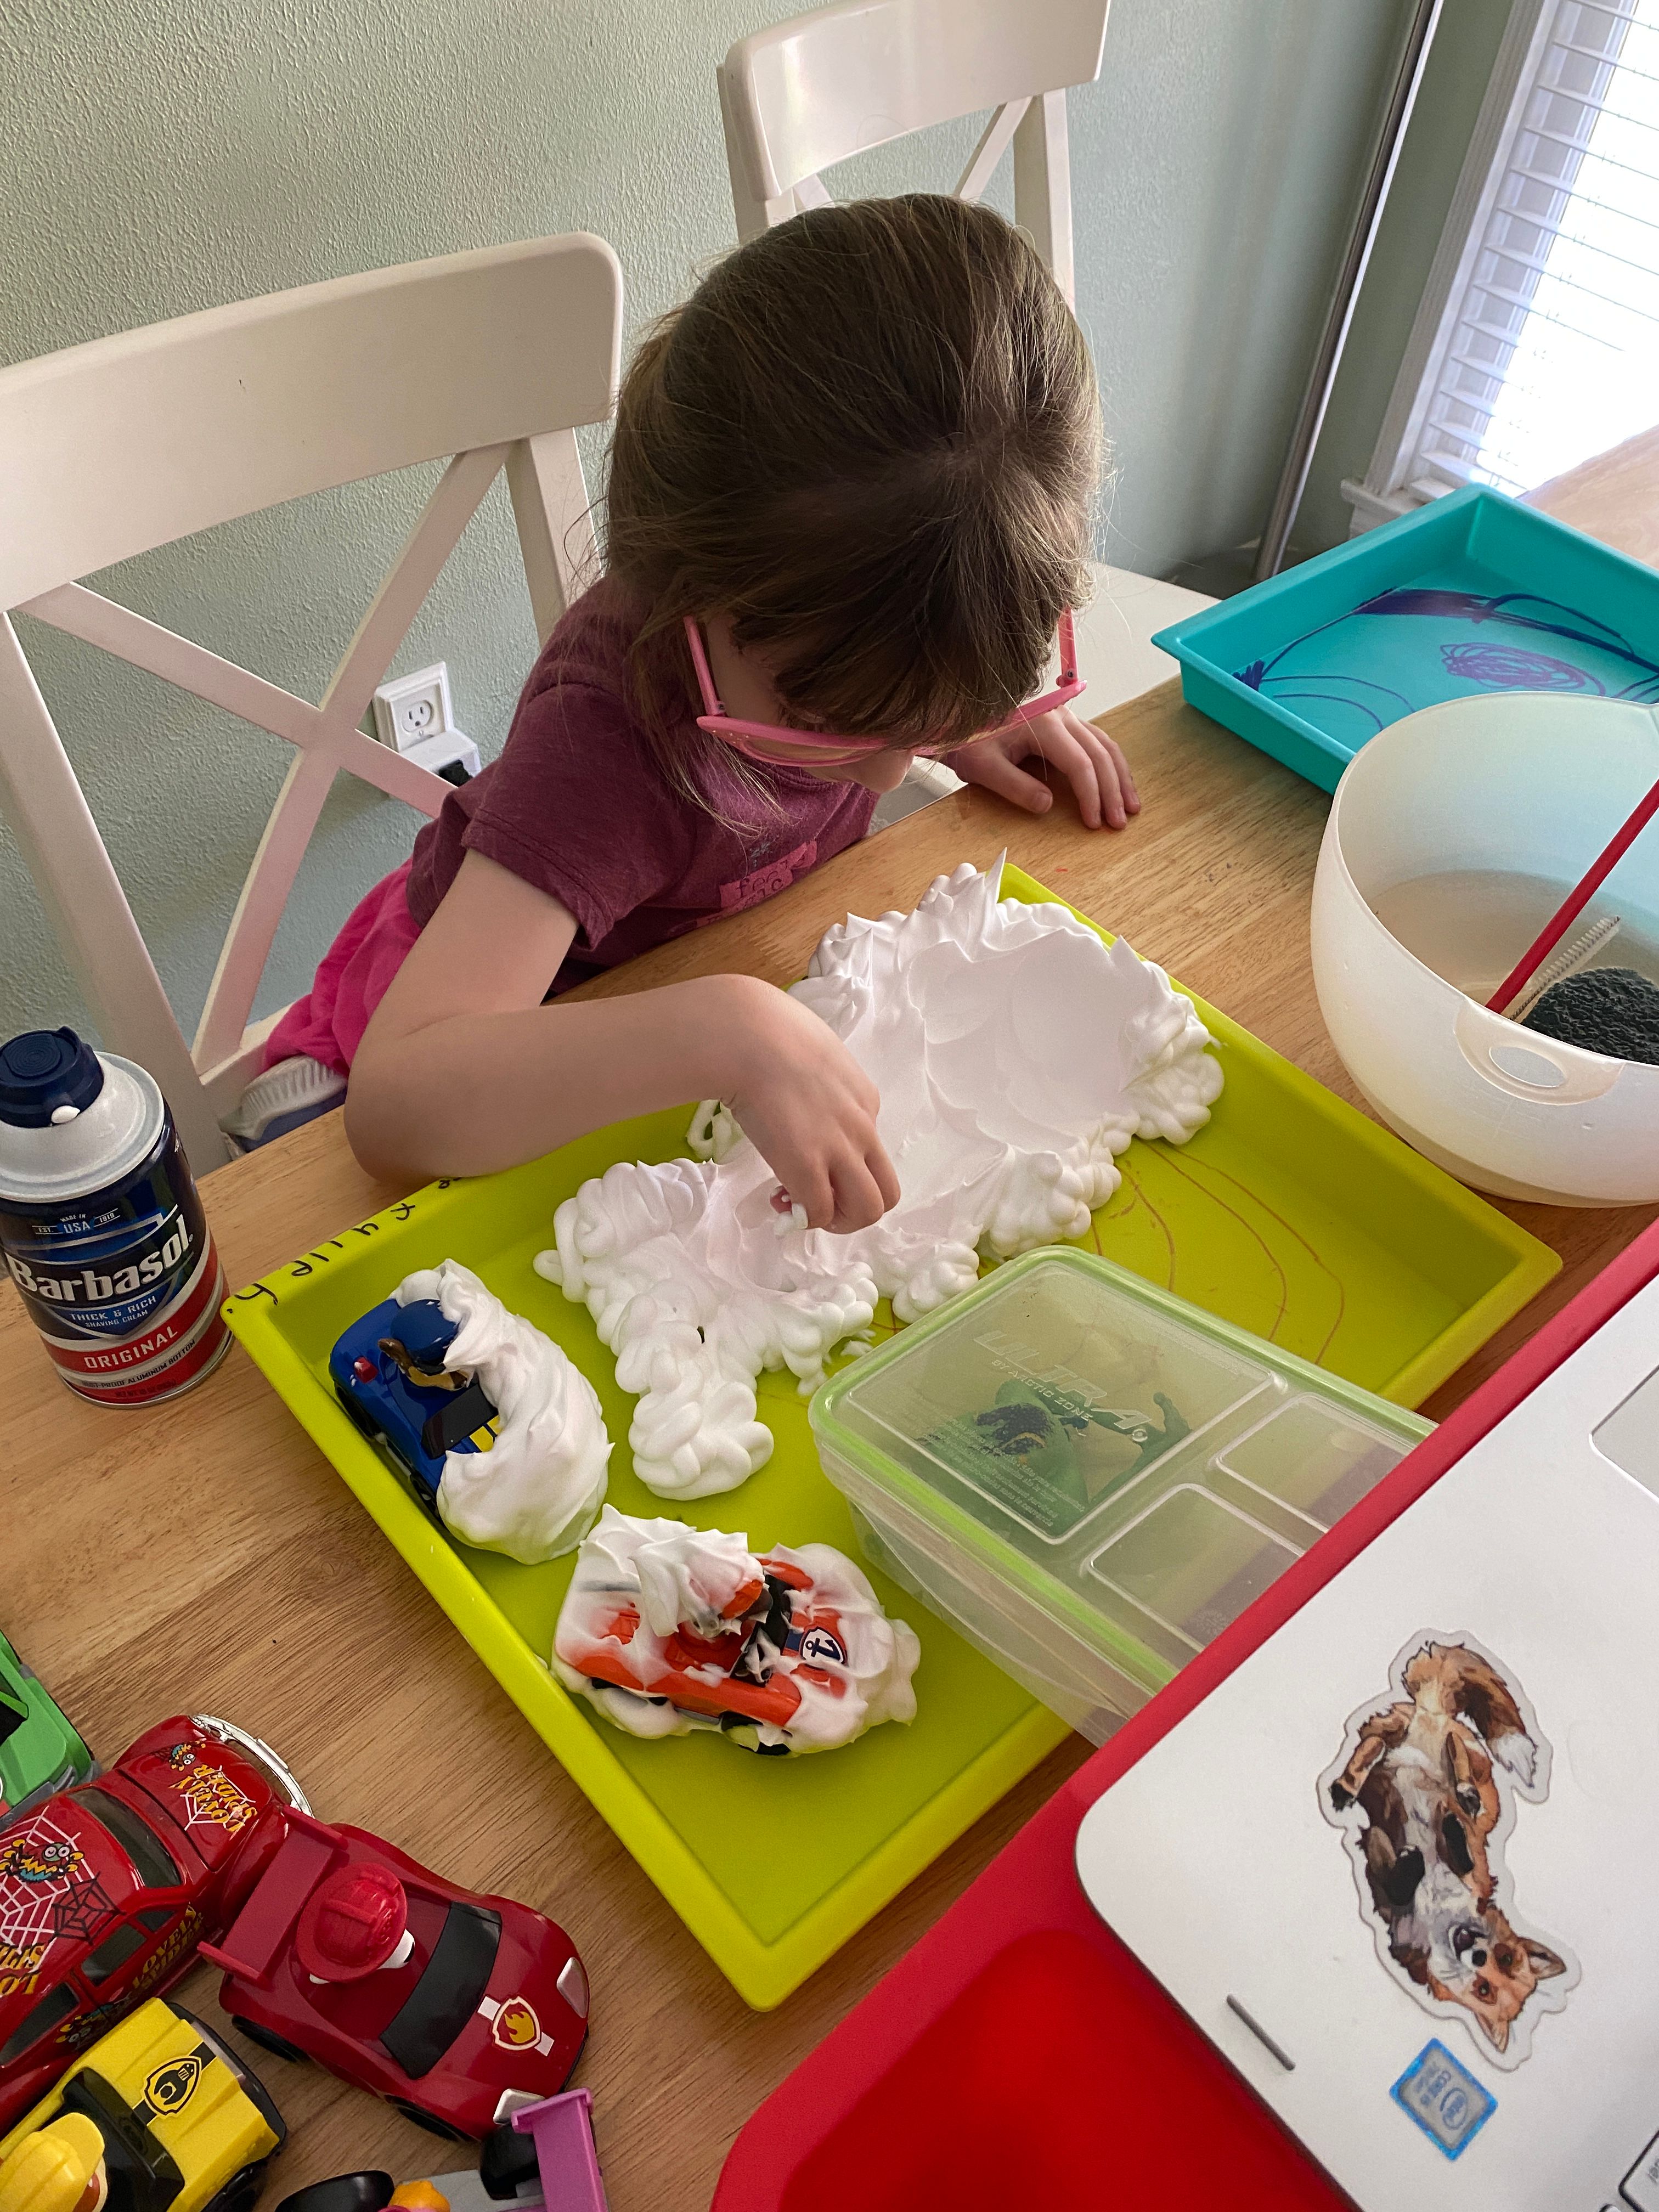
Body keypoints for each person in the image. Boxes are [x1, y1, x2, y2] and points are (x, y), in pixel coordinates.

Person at [256, 194, 1137, 1231]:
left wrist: (954, 703)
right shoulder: (608, 742)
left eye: (920, 727)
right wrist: (722, 1033)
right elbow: (400, 1107)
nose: (889, 778)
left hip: (709, 984)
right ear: (684, 594)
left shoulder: (844, 643)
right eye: (829, 712)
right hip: (491, 1025)